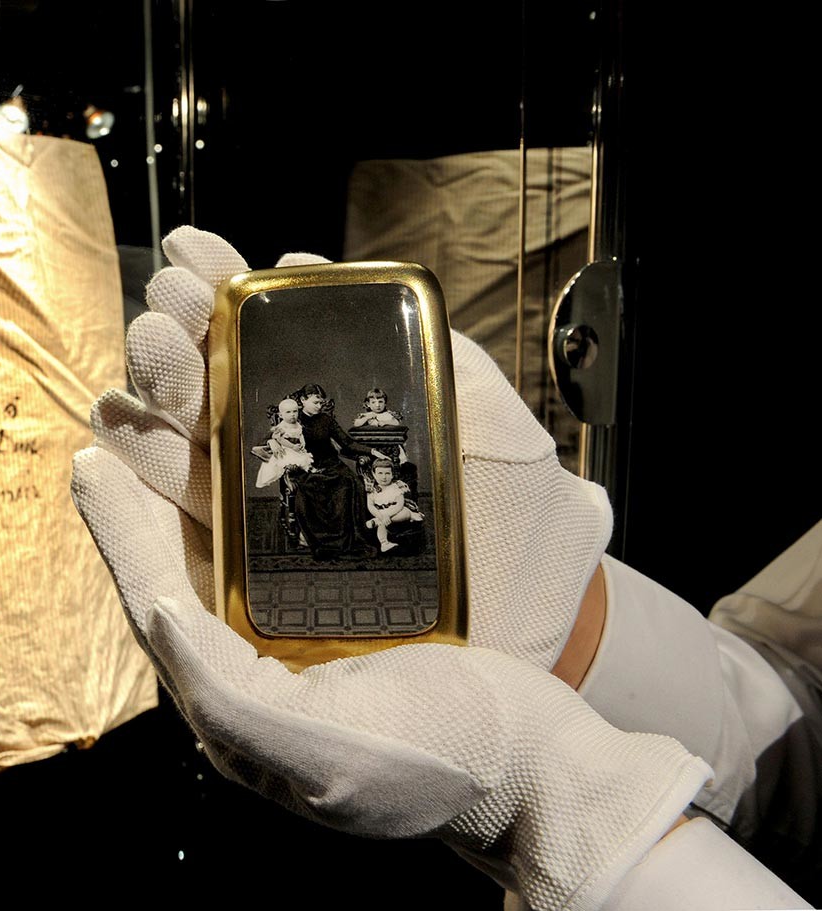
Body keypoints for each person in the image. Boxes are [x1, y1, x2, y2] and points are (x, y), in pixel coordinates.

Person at [75, 226, 815, 909]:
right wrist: (571, 631)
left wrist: (569, 801)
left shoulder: (334, 431)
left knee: (340, 499)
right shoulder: (300, 429)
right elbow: (791, 711)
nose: (304, 402)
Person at [286, 382, 386, 559]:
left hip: (332, 463)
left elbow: (346, 442)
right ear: (302, 400)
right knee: (311, 488)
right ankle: (317, 539)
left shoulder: (326, 419)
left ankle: (347, 539)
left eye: (321, 403)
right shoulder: (294, 419)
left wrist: (371, 451)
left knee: (351, 482)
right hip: (308, 467)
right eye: (315, 402)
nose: (319, 406)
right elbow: (277, 442)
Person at [364, 457, 423, 552]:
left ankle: (376, 521)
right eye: (380, 473)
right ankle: (384, 543)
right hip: (381, 512)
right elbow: (370, 506)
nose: (384, 477)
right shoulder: (372, 490)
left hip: (397, 511)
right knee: (382, 522)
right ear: (374, 474)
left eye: (387, 473)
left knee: (406, 512)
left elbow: (400, 504)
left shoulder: (396, 487)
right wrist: (381, 516)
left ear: (392, 475)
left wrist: (387, 515)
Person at [253, 398, 314, 488]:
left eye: (295, 411)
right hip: (287, 449)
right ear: (281, 415)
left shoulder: (298, 425)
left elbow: (301, 435)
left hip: (297, 449)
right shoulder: (282, 426)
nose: (292, 415)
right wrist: (292, 446)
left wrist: (302, 443)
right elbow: (280, 439)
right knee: (290, 462)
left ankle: (310, 471)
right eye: (288, 412)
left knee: (305, 460)